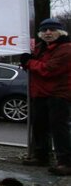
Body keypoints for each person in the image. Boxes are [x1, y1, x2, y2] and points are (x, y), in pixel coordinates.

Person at [20, 18, 71, 176]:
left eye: (52, 30)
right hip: (40, 94)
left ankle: (66, 162)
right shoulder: (41, 48)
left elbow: (48, 70)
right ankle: (42, 156)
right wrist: (27, 61)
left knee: (59, 128)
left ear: (60, 32)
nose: (48, 33)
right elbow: (34, 65)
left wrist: (29, 63)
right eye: (45, 30)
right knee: (40, 126)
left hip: (58, 94)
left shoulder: (66, 49)